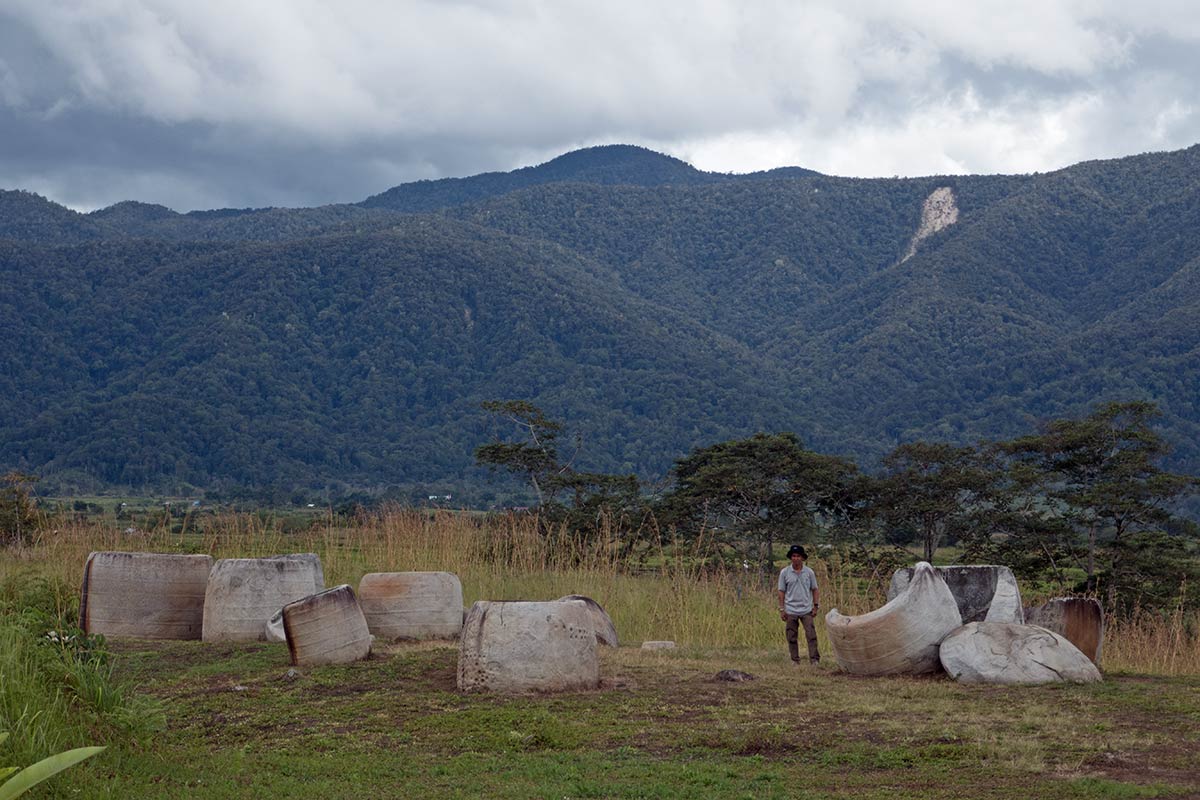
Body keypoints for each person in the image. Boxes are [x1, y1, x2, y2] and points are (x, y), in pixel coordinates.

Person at [777, 544, 820, 664]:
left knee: (811, 635)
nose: (795, 558)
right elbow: (781, 591)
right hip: (790, 609)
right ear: (791, 558)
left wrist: (816, 606)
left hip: (806, 609)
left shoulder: (809, 572)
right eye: (793, 556)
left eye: (798, 556)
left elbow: (815, 589)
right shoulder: (784, 573)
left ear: (802, 558)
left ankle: (814, 659)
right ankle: (795, 660)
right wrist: (781, 609)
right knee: (791, 636)